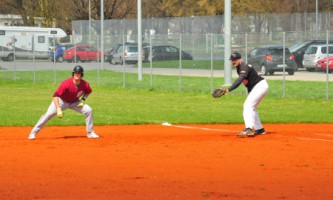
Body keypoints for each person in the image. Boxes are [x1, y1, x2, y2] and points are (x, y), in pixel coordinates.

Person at [28, 65, 99, 140]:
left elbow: (88, 92)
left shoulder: (85, 84)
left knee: (88, 110)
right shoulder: (66, 84)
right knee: (48, 115)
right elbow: (55, 96)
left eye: (78, 73)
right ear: (73, 74)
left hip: (74, 102)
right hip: (61, 101)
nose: (76, 74)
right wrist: (58, 109)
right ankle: (33, 133)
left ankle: (90, 133)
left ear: (81, 75)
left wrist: (83, 100)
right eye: (75, 73)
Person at [224, 52, 269, 137]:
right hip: (258, 86)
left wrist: (228, 90)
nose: (233, 61)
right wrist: (249, 94)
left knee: (247, 105)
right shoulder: (239, 68)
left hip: (260, 86)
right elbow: (248, 84)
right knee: (252, 106)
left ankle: (248, 129)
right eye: (232, 60)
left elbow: (240, 80)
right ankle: (259, 129)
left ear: (240, 59)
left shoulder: (244, 66)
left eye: (235, 59)